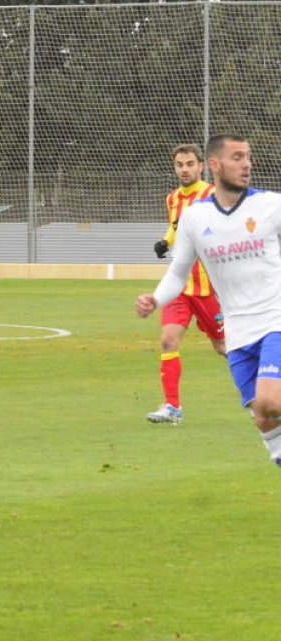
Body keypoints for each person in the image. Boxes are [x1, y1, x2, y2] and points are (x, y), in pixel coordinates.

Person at [137, 133, 281, 467]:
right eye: (236, 157)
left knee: (271, 403)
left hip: (275, 319)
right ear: (215, 165)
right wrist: (155, 298)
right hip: (238, 331)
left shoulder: (271, 205)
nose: (246, 163)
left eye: (247, 156)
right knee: (262, 417)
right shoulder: (194, 217)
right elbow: (177, 272)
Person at [143, 144, 226, 424]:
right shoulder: (173, 198)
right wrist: (165, 241)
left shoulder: (213, 195)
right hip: (179, 286)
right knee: (168, 340)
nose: (185, 169)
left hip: (209, 289)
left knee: (225, 348)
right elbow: (175, 227)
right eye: (180, 164)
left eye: (190, 163)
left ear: (200, 166)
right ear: (175, 167)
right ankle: (172, 407)